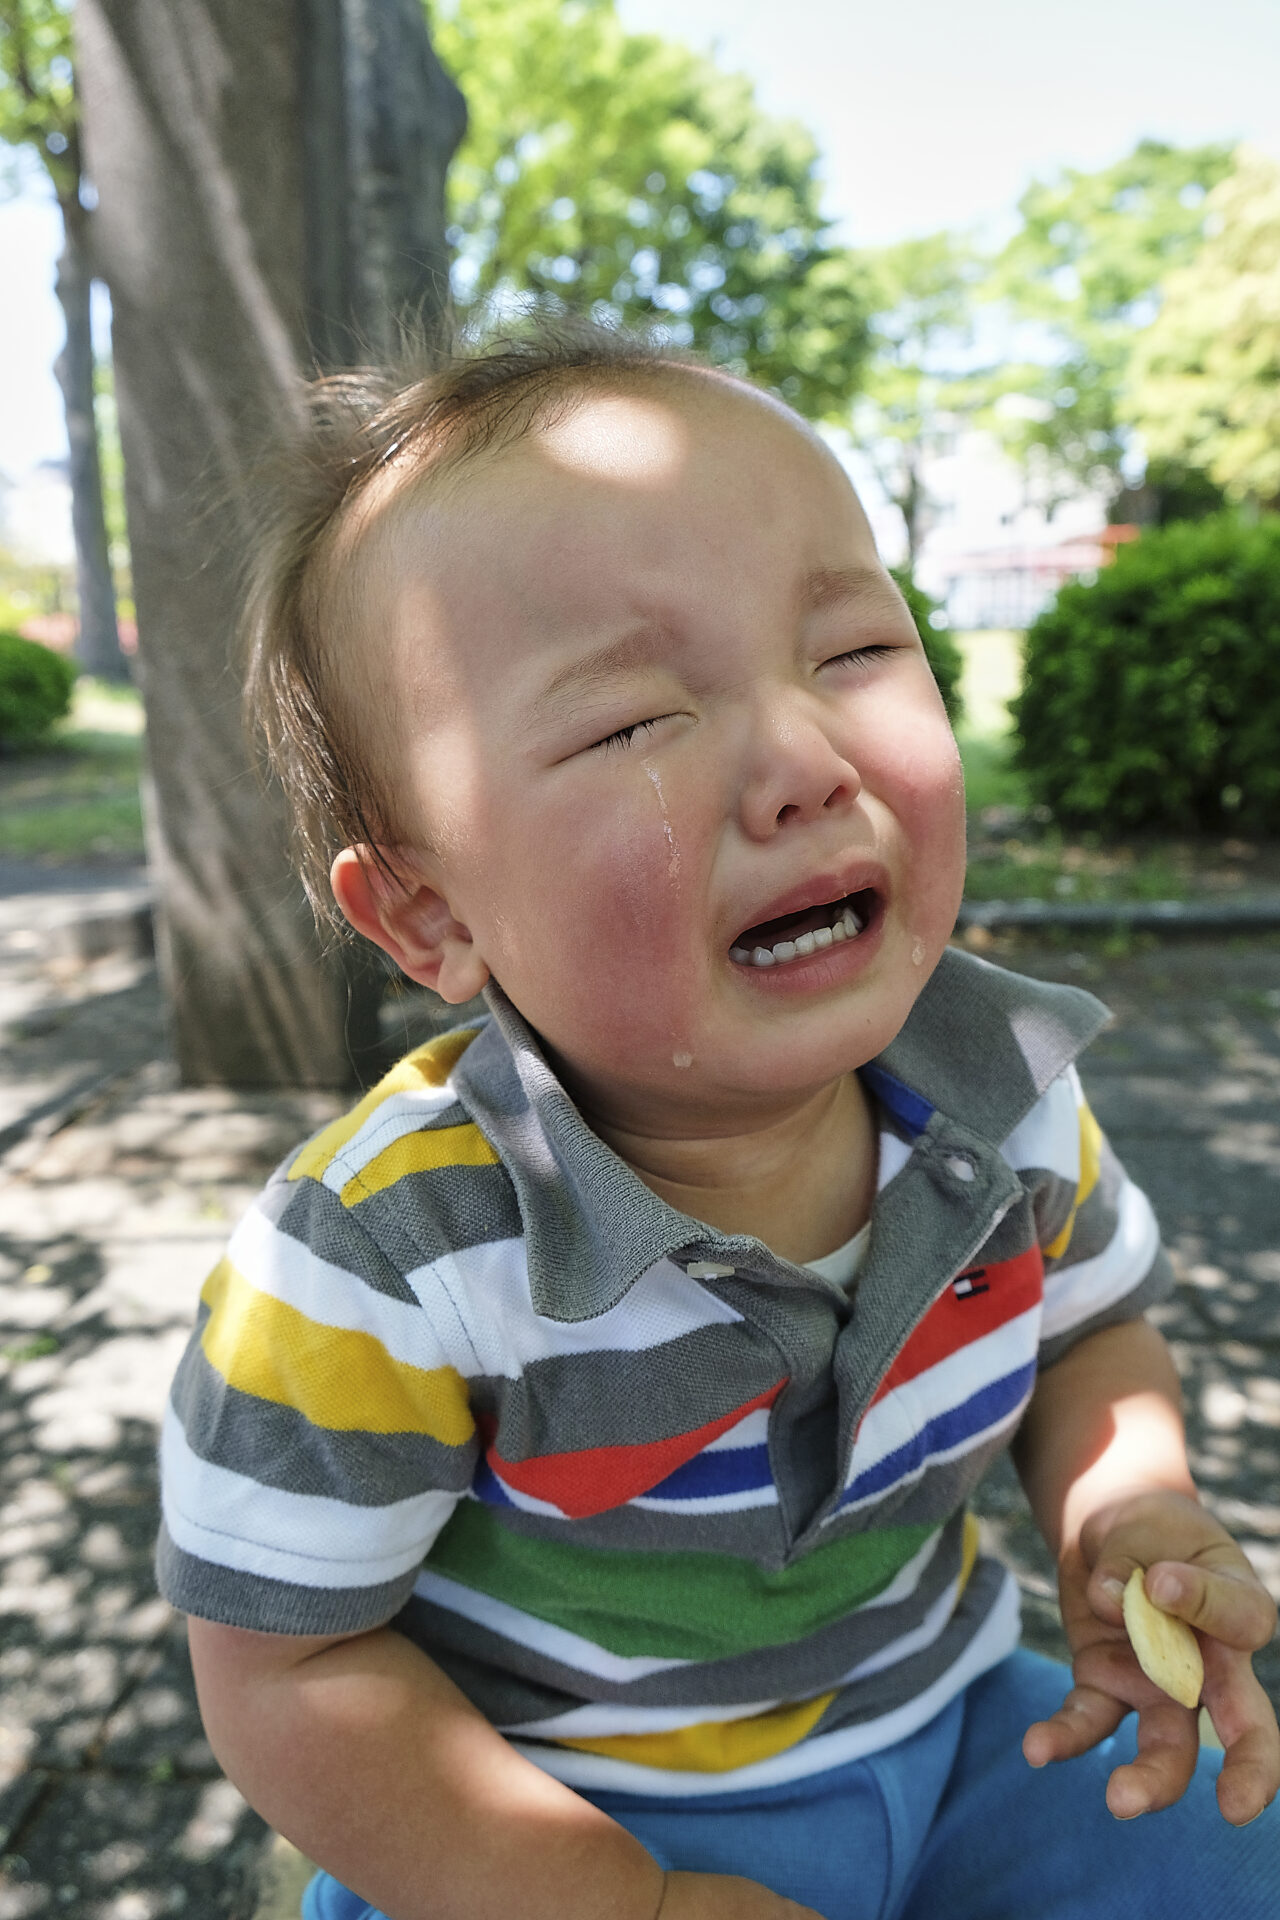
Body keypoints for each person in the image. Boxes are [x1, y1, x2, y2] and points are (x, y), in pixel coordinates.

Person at [159, 324, 1279, 1920]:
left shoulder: (1004, 1095)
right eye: (629, 722)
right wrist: (623, 1902)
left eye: (854, 651)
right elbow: (285, 1669)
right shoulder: (382, 1261)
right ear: (427, 914)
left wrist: (1125, 1509)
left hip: (950, 1722)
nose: (806, 761)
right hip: (549, 1817)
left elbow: (1091, 1333)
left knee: (1232, 1847)